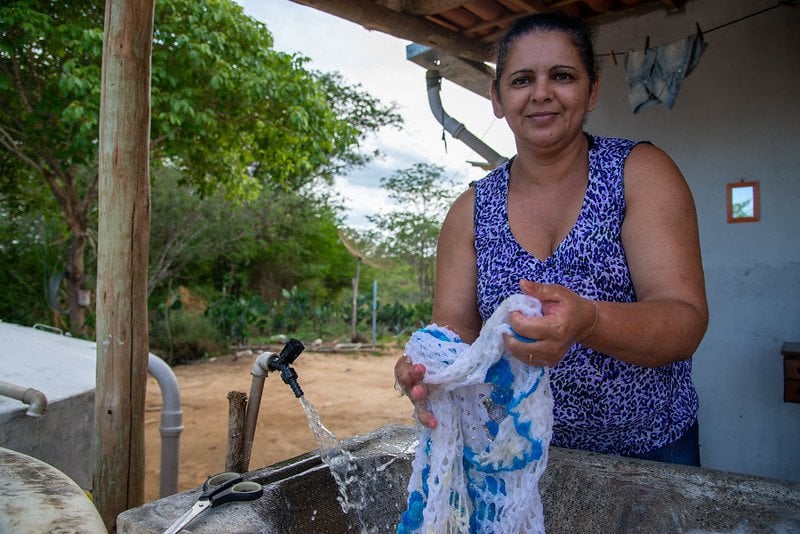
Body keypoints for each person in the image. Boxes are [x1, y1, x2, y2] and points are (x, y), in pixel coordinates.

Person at [394, 12, 708, 466]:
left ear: (592, 89)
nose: (541, 93)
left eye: (562, 75)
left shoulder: (639, 173)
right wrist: (427, 368)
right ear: (498, 98)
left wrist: (590, 322)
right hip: (513, 455)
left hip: (651, 452)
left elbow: (685, 322)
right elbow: (454, 336)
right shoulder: (470, 211)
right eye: (521, 80)